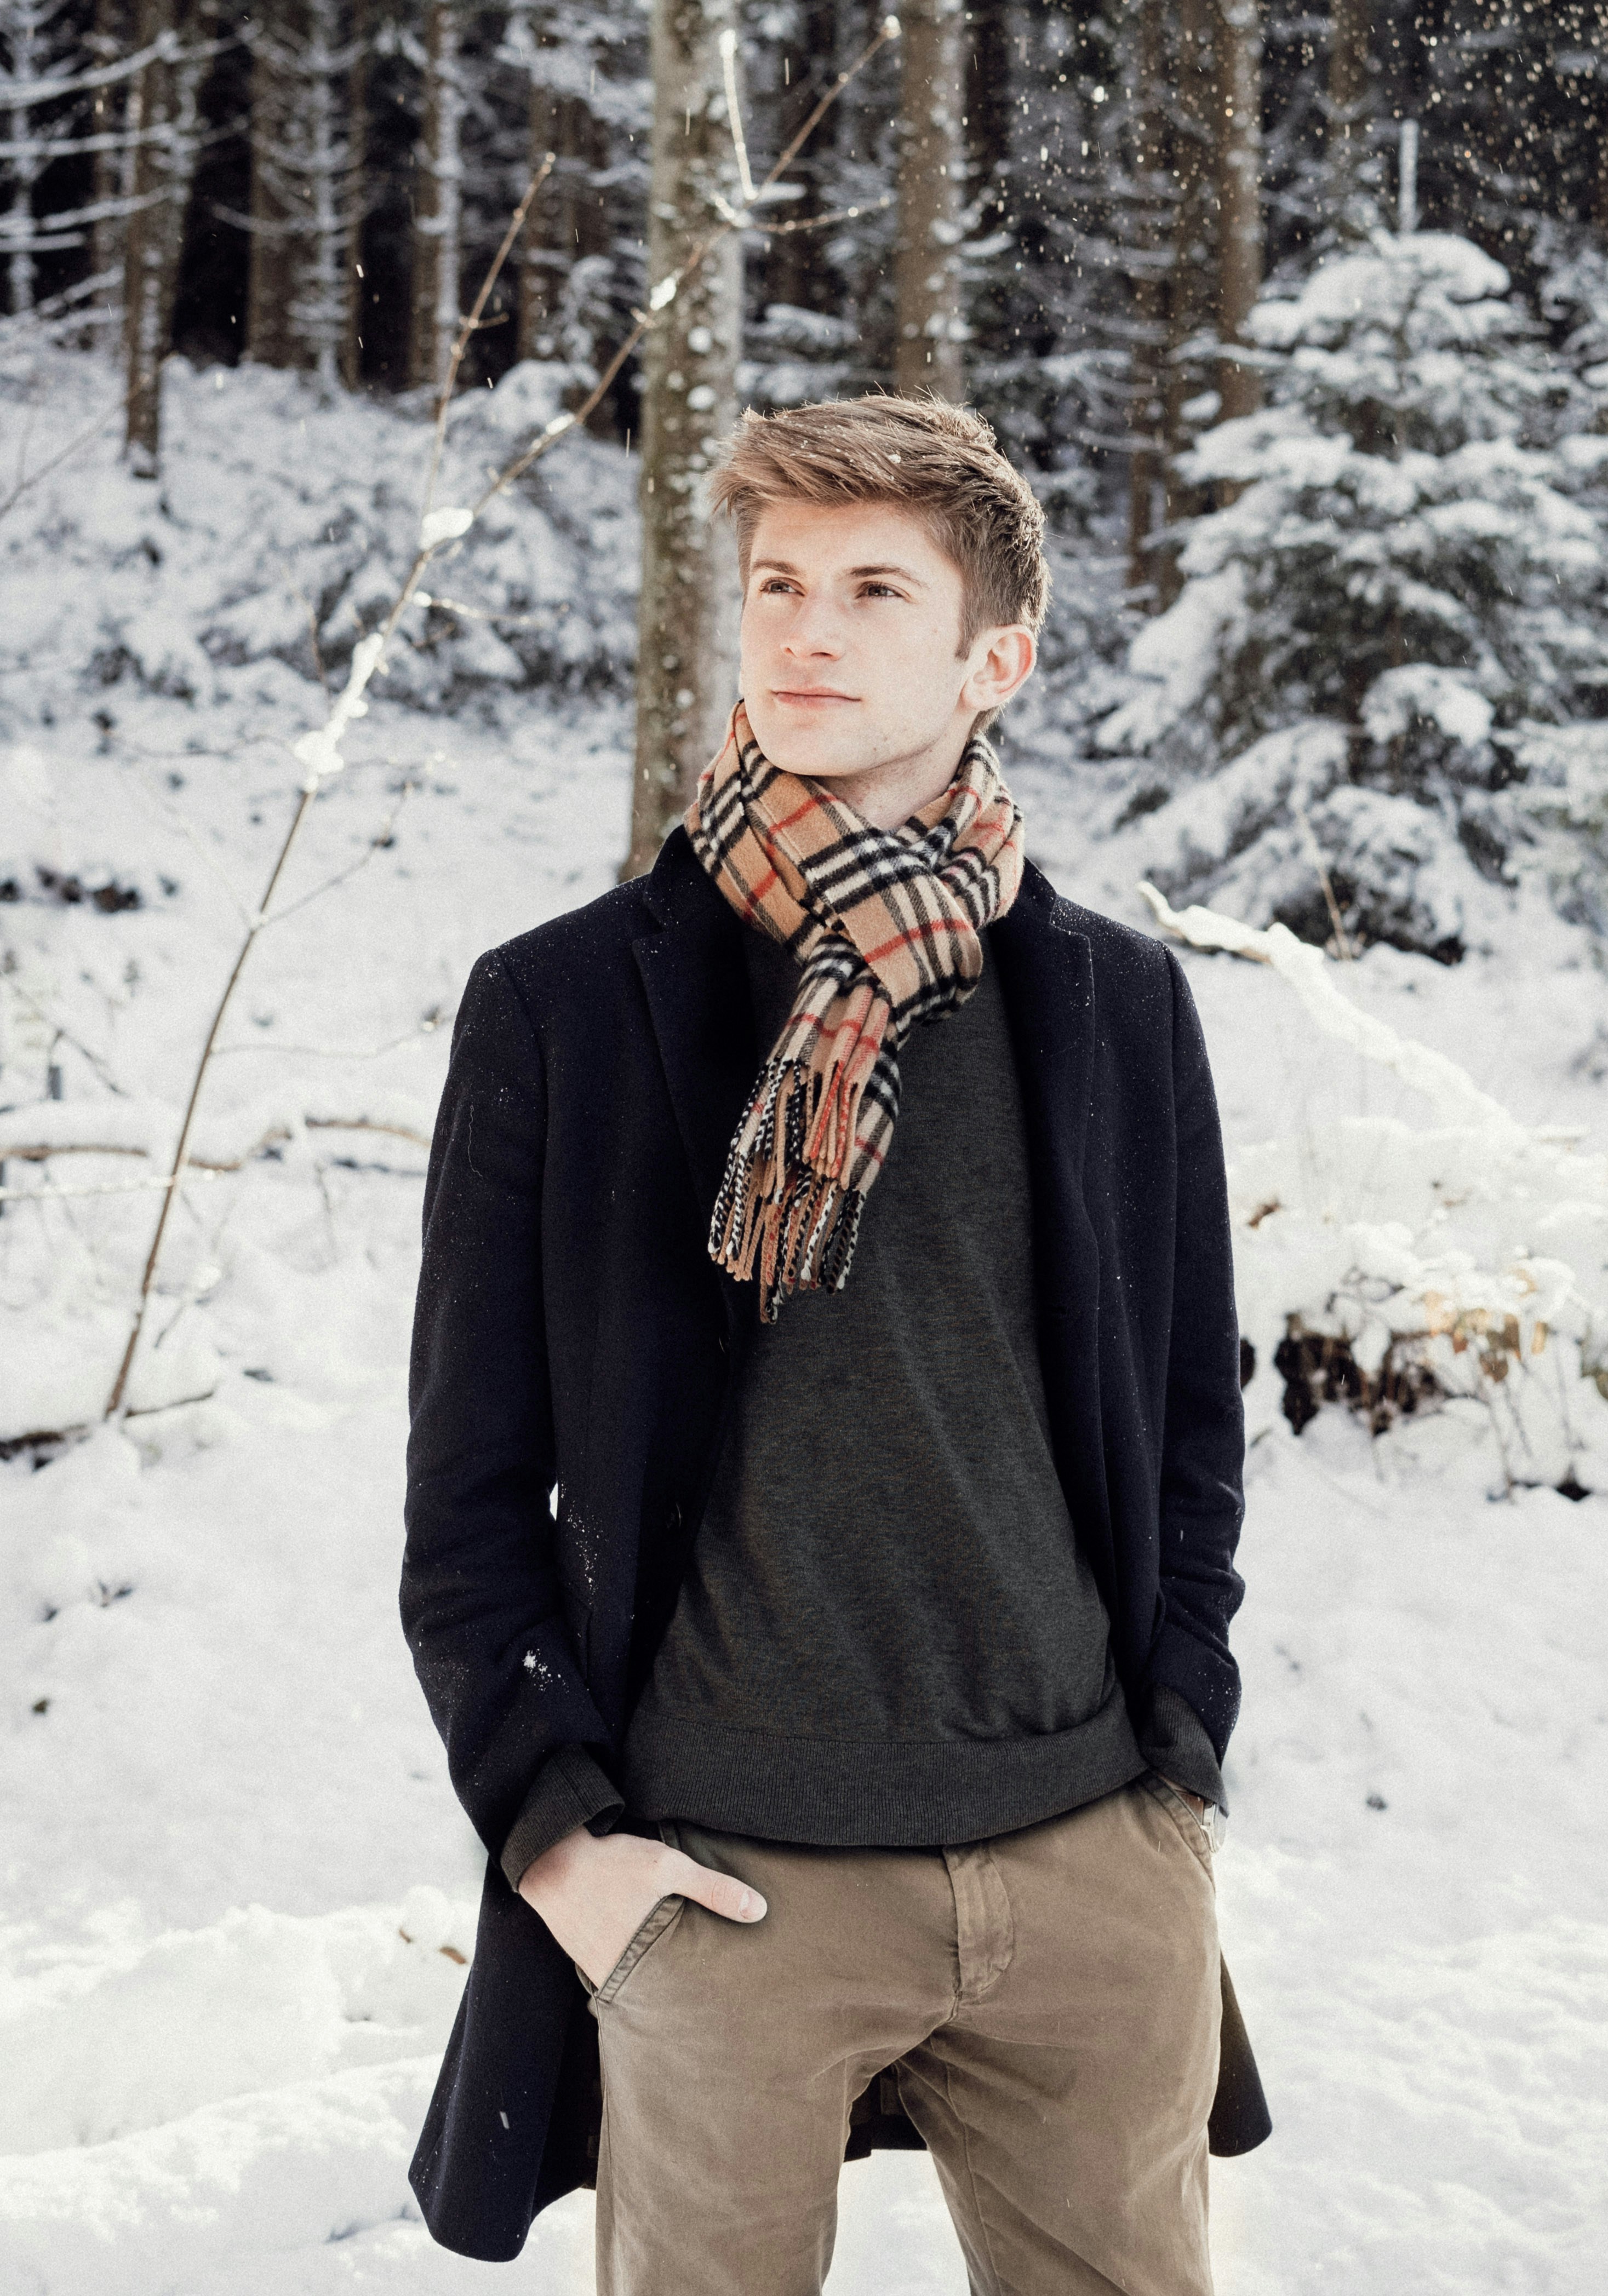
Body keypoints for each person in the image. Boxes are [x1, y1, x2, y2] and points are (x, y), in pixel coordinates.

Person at [400, 393, 1268, 2294]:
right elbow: (467, 1503)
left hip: (1086, 1867)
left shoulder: (1114, 1003)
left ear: (995, 657)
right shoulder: (568, 1008)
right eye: (778, 582)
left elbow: (1192, 1425)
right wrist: (569, 1856)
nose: (802, 628)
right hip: (726, 1885)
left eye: (875, 589)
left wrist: (1174, 1778)